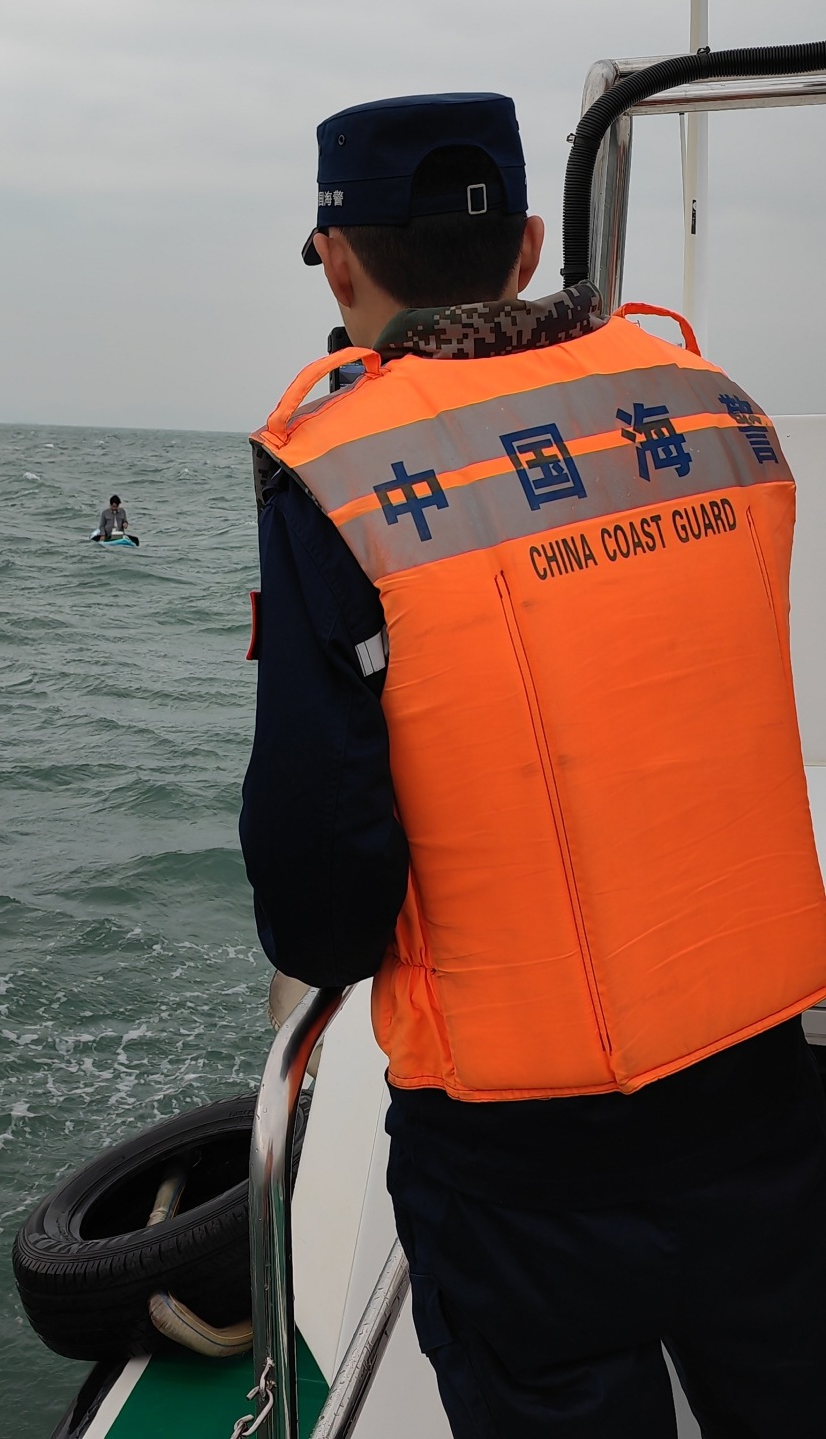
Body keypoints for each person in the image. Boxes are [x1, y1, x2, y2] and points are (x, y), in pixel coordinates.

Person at [239, 92, 826, 1437]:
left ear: (337, 261)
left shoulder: (334, 472)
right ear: (528, 246)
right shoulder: (717, 411)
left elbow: (322, 894)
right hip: (761, 1100)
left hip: (518, 1158)